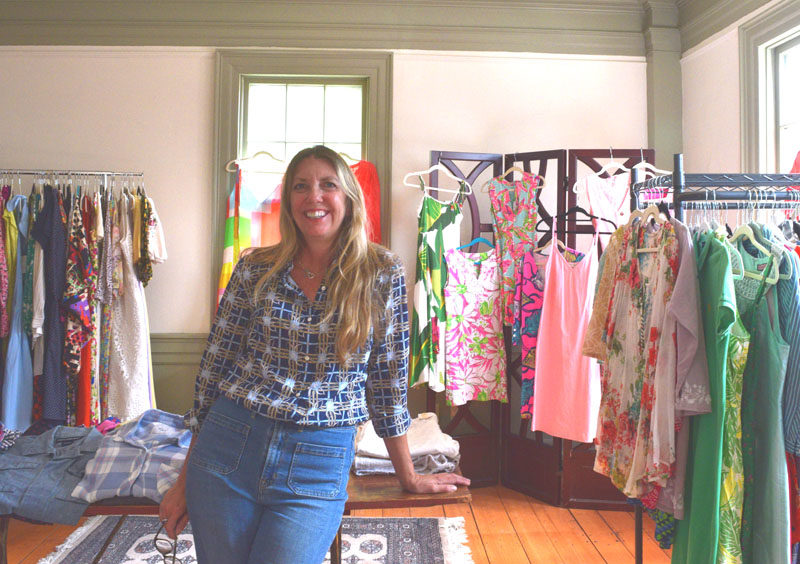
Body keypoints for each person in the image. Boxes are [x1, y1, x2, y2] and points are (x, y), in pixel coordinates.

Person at [159, 145, 470, 563]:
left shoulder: (381, 273)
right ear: (288, 201)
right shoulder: (255, 268)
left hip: (318, 458)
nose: (314, 197)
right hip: (228, 448)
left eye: (328, 185)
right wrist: (182, 483)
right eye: (301, 187)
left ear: (348, 197)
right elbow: (213, 375)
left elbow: (387, 384)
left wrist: (408, 475)